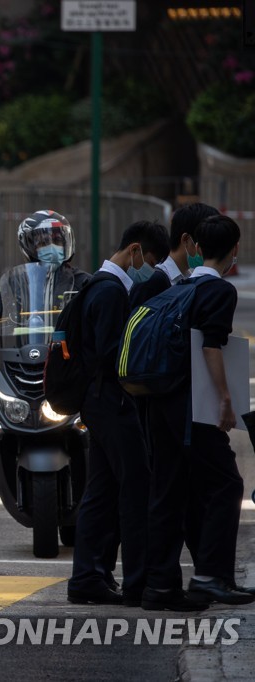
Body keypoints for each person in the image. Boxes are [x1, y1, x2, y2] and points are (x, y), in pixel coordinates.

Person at [0, 210, 90, 547]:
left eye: (56, 239)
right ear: (29, 247)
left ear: (66, 242)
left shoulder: (83, 284)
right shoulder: (11, 286)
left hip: (69, 377)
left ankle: (121, 513)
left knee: (107, 421)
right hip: (20, 372)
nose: (50, 246)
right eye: (42, 241)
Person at [145, 214, 254, 609]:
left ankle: (158, 585)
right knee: (227, 484)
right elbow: (211, 346)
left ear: (196, 247)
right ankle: (211, 576)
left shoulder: (179, 285)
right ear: (234, 251)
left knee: (168, 492)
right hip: (196, 409)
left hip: (164, 404)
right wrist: (225, 398)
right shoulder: (219, 291)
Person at [66, 220, 170, 608]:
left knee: (103, 488)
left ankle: (89, 576)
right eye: (151, 261)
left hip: (99, 400)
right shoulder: (109, 292)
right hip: (112, 400)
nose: (150, 269)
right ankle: (136, 581)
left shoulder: (97, 285)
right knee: (135, 484)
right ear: (135, 251)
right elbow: (114, 358)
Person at [129, 202, 220, 309]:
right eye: (205, 243)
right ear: (186, 240)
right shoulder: (155, 280)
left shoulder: (189, 277)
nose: (208, 250)